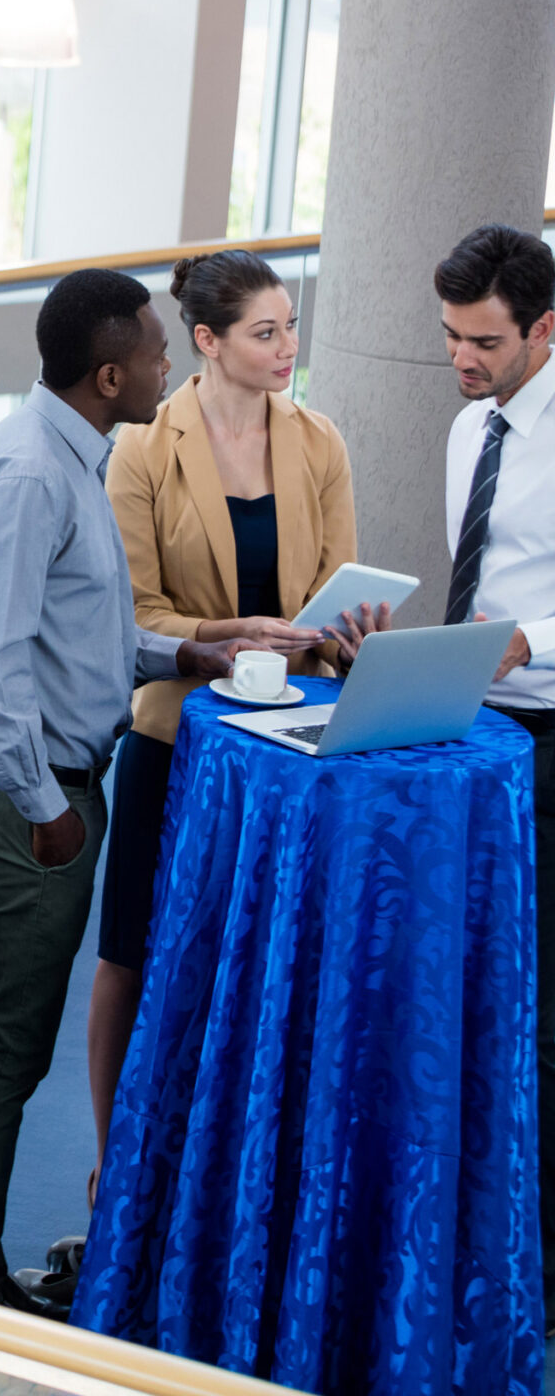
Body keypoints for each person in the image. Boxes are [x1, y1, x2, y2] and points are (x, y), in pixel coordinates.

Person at [0, 268, 255, 1313]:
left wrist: (185, 653)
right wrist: (46, 809)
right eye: (158, 352)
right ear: (109, 374)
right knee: (4, 1047)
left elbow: (76, 638)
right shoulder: (31, 473)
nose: (170, 365)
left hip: (56, 781)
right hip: (35, 796)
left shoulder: (74, 456)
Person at [84, 251, 377, 1212]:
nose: (288, 347)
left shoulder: (320, 441)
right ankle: (112, 1168)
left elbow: (336, 595)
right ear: (207, 342)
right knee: (134, 947)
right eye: (266, 331)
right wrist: (227, 635)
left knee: (258, 954)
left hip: (290, 746)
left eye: (291, 326)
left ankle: (239, 1171)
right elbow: (135, 616)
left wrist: (346, 635)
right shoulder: (142, 448)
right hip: (178, 740)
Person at [431, 222, 555, 1311]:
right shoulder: (472, 427)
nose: (463, 361)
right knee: (468, 983)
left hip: (551, 734)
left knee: (546, 1009)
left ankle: (542, 1274)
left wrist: (531, 640)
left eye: (482, 341)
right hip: (475, 734)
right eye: (451, 338)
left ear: (543, 329)